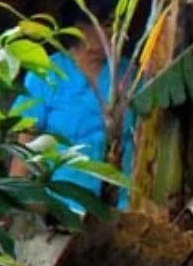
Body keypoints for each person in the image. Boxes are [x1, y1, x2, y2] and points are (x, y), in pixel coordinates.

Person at [20, 26, 133, 211]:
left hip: (122, 208)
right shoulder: (46, 72)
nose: (113, 31)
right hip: (61, 208)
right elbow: (26, 140)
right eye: (104, 23)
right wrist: (15, 197)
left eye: (114, 24)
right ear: (79, 26)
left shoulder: (131, 75)